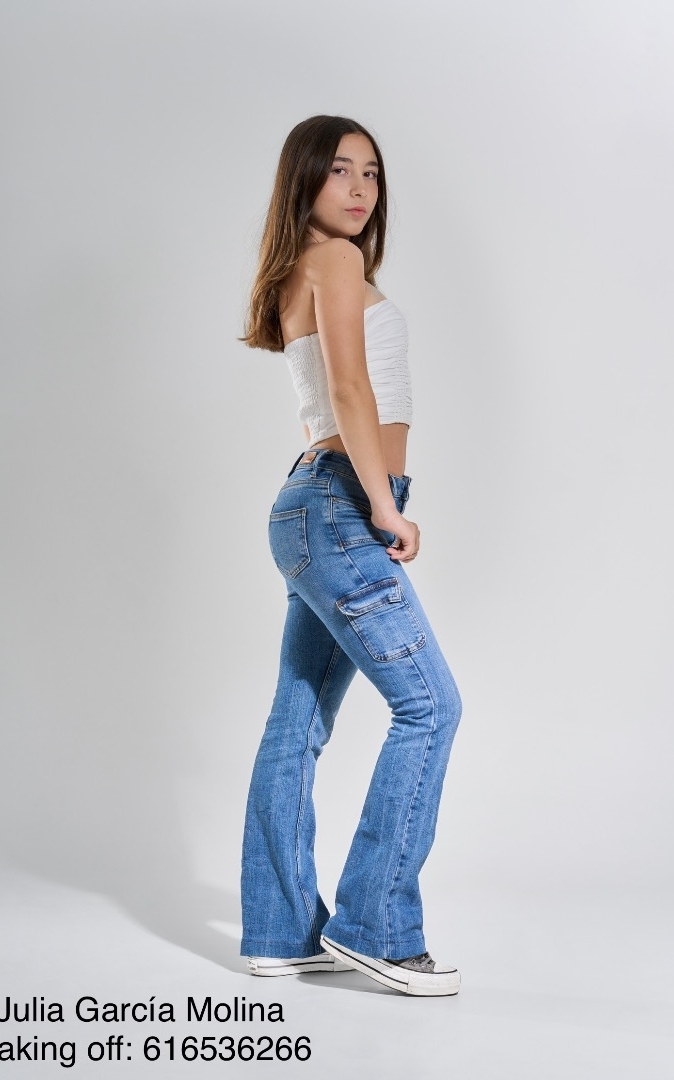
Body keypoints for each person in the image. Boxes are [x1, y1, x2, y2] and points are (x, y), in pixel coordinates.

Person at [239, 115, 462, 997]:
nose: (362, 187)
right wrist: (382, 504)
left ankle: (280, 930)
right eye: (340, 170)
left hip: (311, 506)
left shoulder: (302, 265)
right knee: (431, 706)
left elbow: (333, 395)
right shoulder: (333, 259)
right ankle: (377, 928)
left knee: (296, 724)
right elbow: (347, 387)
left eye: (371, 171)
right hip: (341, 505)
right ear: (305, 179)